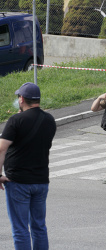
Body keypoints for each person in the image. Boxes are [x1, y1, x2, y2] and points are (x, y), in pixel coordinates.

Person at [0, 82, 56, 249]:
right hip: (41, 181)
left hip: (18, 181)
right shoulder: (49, 120)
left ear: (22, 99)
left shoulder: (16, 120)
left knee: (20, 228)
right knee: (39, 227)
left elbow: (1, 149)